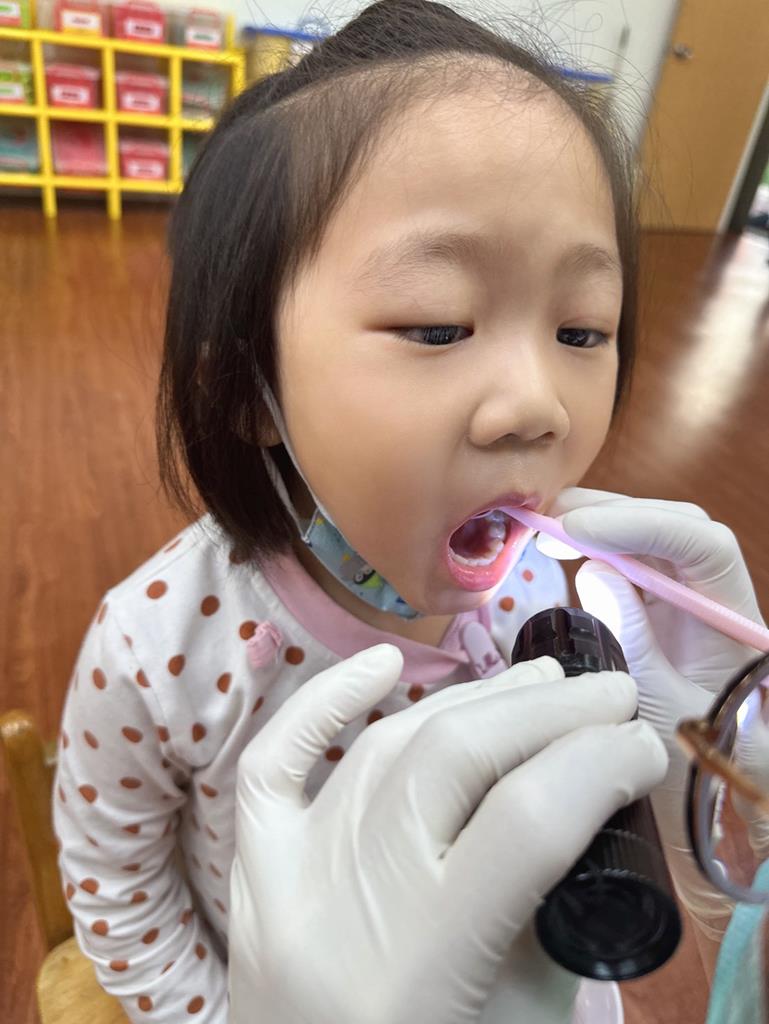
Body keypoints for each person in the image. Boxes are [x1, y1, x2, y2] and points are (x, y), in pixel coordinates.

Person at [50, 0, 765, 1020]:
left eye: (580, 330)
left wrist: (719, 778)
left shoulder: (577, 602)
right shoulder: (158, 645)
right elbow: (116, 889)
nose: (536, 405)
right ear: (248, 390)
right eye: (436, 325)